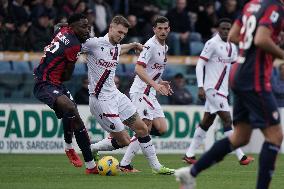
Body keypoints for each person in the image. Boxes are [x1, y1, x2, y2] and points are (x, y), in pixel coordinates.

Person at [175, 1, 284, 189]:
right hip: (253, 77)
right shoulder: (275, 8)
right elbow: (261, 39)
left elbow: (234, 35)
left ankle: (190, 172)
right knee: (274, 136)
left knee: (239, 136)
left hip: (238, 75)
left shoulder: (252, 5)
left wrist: (252, 48)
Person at [82, 15, 174, 175]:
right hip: (100, 100)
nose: (121, 36)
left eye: (124, 33)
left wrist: (131, 45)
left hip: (116, 96)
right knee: (123, 140)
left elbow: (118, 49)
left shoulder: (116, 46)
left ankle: (157, 167)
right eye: (119, 32)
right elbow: (74, 47)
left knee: (142, 129)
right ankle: (92, 149)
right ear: (110, 28)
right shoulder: (93, 44)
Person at [183, 18, 253, 165]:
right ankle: (241, 156)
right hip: (211, 89)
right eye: (223, 29)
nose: (226, 31)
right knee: (227, 120)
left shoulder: (232, 47)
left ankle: (189, 154)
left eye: (229, 29)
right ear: (218, 29)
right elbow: (200, 64)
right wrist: (200, 86)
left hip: (222, 91)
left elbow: (235, 66)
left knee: (206, 122)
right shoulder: (212, 43)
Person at [33, 13, 98, 175]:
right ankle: (71, 149)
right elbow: (67, 76)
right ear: (73, 27)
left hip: (56, 83)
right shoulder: (74, 45)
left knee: (75, 116)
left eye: (88, 26)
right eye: (83, 26)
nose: (87, 29)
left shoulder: (62, 29)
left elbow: (59, 25)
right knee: (70, 109)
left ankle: (89, 166)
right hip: (44, 83)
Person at [119, 16, 174, 173]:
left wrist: (160, 81)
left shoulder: (165, 48)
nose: (163, 31)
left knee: (162, 128)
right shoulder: (150, 46)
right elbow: (138, 69)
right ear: (154, 29)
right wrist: (155, 84)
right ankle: (126, 164)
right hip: (140, 91)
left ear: (169, 29)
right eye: (160, 28)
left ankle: (138, 136)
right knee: (145, 127)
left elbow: (152, 71)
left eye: (165, 28)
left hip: (151, 92)